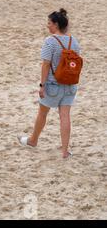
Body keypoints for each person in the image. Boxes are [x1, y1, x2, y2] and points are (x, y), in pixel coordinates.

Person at [18, 9, 81, 159]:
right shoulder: (74, 41)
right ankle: (65, 151)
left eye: (49, 23)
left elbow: (46, 65)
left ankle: (33, 140)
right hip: (70, 85)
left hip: (53, 85)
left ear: (56, 24)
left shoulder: (50, 41)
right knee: (65, 116)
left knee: (42, 113)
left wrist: (42, 85)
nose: (47, 26)